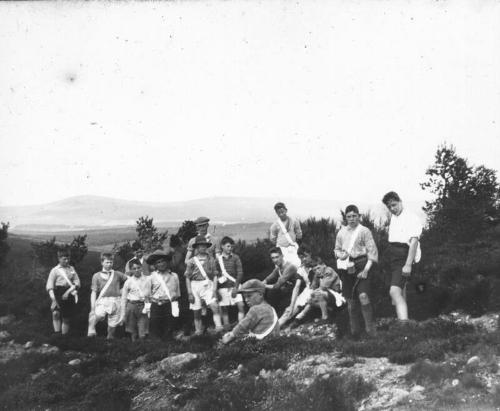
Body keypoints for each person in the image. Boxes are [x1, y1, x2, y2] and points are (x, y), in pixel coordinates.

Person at [334, 204, 379, 337]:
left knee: (363, 296)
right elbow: (336, 249)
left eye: (354, 216)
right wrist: (340, 255)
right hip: (347, 266)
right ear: (345, 218)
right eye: (349, 216)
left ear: (359, 216)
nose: (352, 219)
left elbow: (372, 252)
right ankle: (355, 333)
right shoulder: (341, 232)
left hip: (363, 264)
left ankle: (371, 331)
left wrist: (366, 270)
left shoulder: (364, 231)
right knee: (351, 302)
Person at [382, 191, 423, 323]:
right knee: (399, 293)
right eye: (389, 207)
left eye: (394, 205)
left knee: (394, 292)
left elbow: (414, 242)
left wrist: (408, 264)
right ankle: (404, 324)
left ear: (400, 201)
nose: (392, 209)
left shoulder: (411, 217)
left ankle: (404, 325)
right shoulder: (394, 218)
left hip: (404, 257)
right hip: (393, 256)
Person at [290, 256, 345, 327]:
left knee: (318, 294)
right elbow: (312, 287)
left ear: (324, 265)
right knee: (311, 299)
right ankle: (298, 318)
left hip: (339, 296)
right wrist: (312, 295)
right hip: (328, 296)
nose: (317, 271)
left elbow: (323, 287)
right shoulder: (318, 274)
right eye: (315, 270)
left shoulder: (328, 271)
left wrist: (314, 291)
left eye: (318, 268)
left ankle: (325, 318)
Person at [185, 236, 223, 335]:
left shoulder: (211, 259)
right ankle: (198, 331)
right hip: (195, 286)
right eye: (200, 246)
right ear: (196, 247)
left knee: (214, 306)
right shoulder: (191, 261)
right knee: (196, 311)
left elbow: (215, 275)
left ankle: (219, 328)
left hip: (208, 284)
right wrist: (189, 293)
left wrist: (214, 289)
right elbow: (187, 277)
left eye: (204, 245)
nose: (203, 247)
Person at [222, 279, 280, 344]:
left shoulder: (255, 309)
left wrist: (230, 335)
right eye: (244, 297)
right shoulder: (269, 308)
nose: (246, 300)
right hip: (273, 342)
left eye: (249, 296)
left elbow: (241, 327)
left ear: (260, 294)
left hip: (260, 344)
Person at [87, 253, 127, 339]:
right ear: (102, 262)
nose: (109, 264)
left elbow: (129, 281)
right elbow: (93, 292)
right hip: (103, 301)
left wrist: (122, 290)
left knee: (112, 327)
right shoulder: (96, 276)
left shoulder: (117, 274)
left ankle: (109, 342)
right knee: (96, 316)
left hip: (116, 301)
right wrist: (92, 308)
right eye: (107, 262)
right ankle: (90, 332)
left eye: (111, 262)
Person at [262, 247, 302, 327]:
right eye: (273, 258)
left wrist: (262, 286)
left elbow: (277, 286)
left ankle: (278, 322)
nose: (275, 260)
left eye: (277, 257)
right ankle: (270, 318)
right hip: (286, 291)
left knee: (273, 293)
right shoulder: (278, 269)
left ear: (282, 256)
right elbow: (268, 278)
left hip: (296, 292)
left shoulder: (289, 267)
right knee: (270, 294)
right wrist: (260, 284)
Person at [147, 250, 181, 340]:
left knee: (169, 327)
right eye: (158, 262)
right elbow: (147, 294)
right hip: (156, 305)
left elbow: (177, 293)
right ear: (155, 265)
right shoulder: (151, 277)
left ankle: (169, 347)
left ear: (167, 262)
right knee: (155, 327)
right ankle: (156, 348)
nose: (161, 264)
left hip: (169, 304)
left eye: (163, 261)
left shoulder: (174, 276)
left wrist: (175, 305)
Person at [46, 249, 81, 335]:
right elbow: (50, 285)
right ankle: (57, 333)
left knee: (66, 317)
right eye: (64, 259)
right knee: (55, 313)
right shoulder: (55, 270)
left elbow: (77, 282)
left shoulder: (71, 269)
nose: (67, 261)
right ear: (59, 259)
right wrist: (53, 298)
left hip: (69, 292)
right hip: (57, 292)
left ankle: (64, 337)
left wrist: (69, 291)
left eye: (68, 258)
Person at [216, 236, 245, 330]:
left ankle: (241, 328)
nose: (230, 248)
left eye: (231, 247)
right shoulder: (218, 260)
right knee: (224, 309)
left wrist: (236, 288)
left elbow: (240, 273)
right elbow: (215, 275)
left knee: (241, 305)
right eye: (228, 246)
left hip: (234, 286)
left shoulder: (236, 258)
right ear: (222, 246)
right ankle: (227, 328)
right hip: (222, 288)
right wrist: (216, 291)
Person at [119, 259, 151, 341]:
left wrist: (149, 307)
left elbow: (150, 294)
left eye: (138, 267)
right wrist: (123, 313)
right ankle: (133, 346)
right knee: (132, 330)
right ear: (131, 270)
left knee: (143, 330)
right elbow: (123, 298)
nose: (137, 270)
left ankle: (142, 346)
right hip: (131, 306)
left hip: (143, 306)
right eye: (134, 268)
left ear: (141, 268)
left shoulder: (148, 279)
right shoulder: (128, 282)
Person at [269, 202, 302, 266]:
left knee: (297, 265)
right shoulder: (274, 225)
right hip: (281, 249)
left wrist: (294, 241)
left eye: (282, 211)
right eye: (279, 213)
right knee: (283, 267)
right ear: (276, 213)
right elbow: (273, 239)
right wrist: (281, 243)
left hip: (293, 248)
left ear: (286, 210)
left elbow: (299, 233)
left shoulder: (294, 221)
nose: (281, 214)